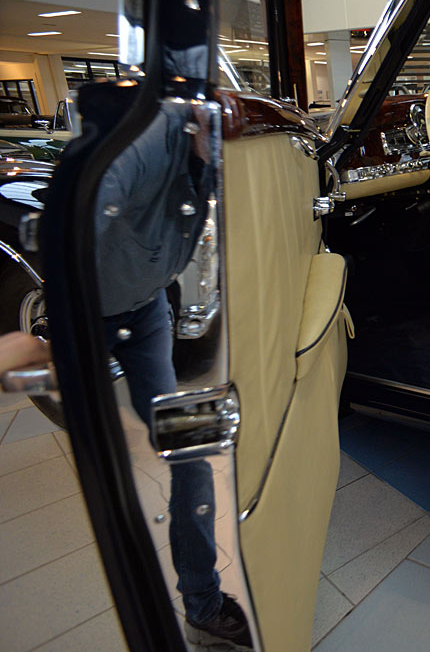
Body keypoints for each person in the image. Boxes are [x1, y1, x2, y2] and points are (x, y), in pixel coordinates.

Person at [95, 100, 250, 651]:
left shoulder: (211, 156)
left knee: (193, 452)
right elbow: (82, 220)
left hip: (147, 311)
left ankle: (203, 608)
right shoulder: (143, 141)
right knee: (102, 463)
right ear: (195, 121)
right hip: (88, 313)